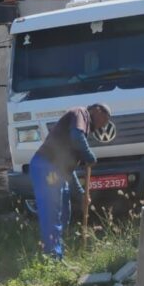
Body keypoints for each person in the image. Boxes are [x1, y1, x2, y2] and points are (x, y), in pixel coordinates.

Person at [29, 104, 111, 258]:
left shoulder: (84, 128)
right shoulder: (81, 113)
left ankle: (58, 252)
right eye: (104, 120)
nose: (103, 125)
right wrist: (89, 155)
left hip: (59, 171)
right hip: (47, 167)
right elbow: (76, 138)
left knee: (64, 213)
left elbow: (69, 170)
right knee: (52, 213)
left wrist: (80, 193)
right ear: (96, 110)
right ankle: (52, 257)